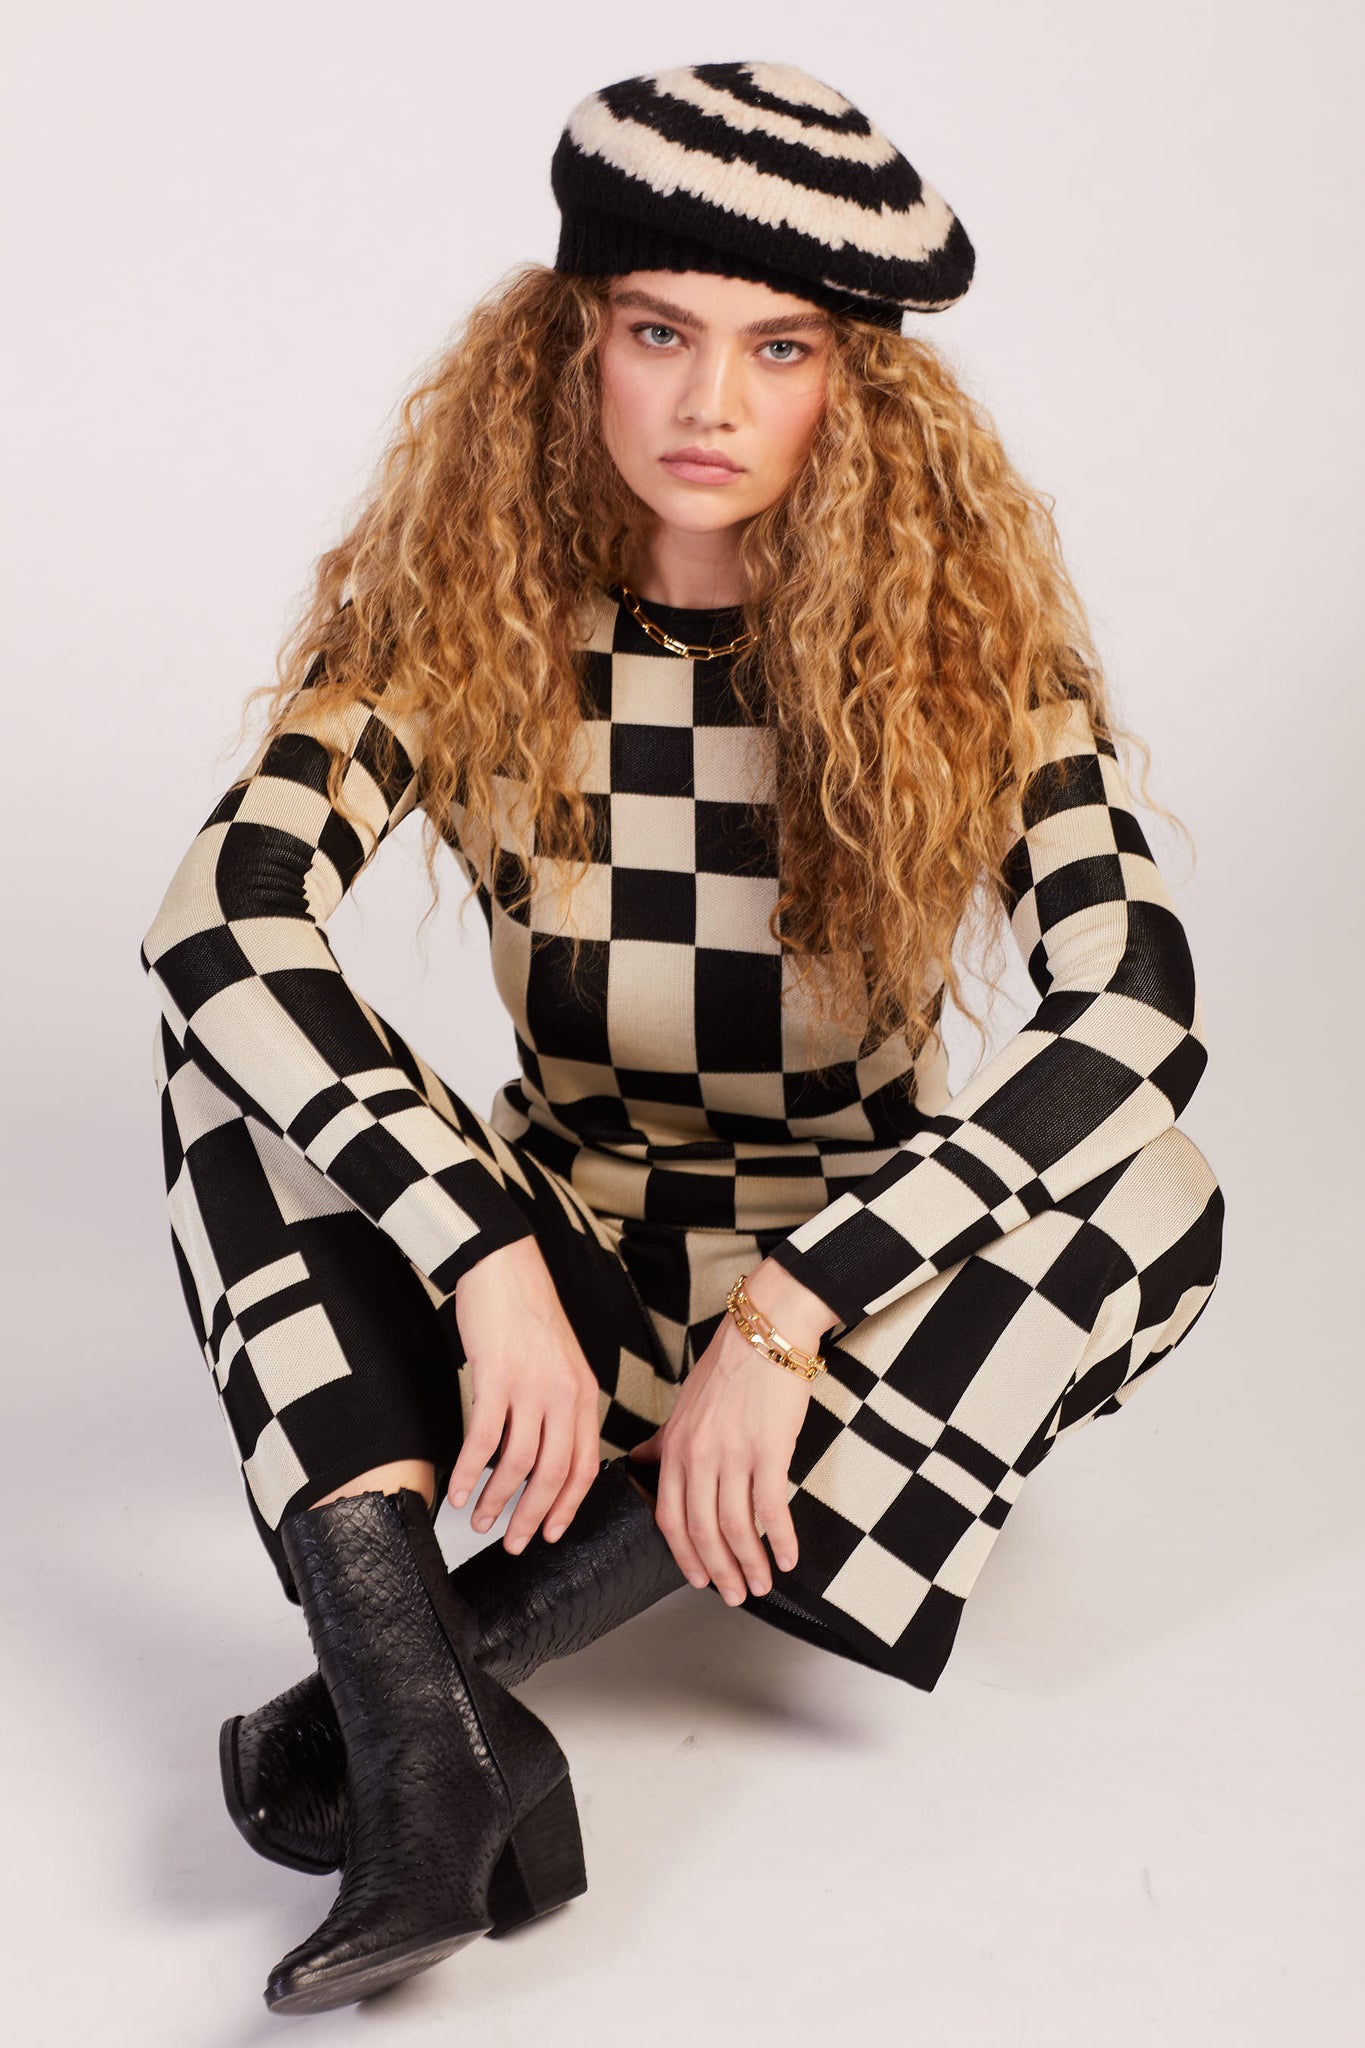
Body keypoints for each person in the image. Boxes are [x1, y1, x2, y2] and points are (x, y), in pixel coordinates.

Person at [138, 59, 1225, 2017]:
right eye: (658, 332)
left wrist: (794, 1309)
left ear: (855, 387)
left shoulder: (975, 670)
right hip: (561, 1290)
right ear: (570, 346)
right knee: (227, 1059)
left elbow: (1132, 1008)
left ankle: (421, 1691)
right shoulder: (449, 630)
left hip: (843, 1326)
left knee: (1153, 1185)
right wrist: (479, 1249)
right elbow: (220, 922)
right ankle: (429, 1766)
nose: (709, 401)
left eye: (776, 347)